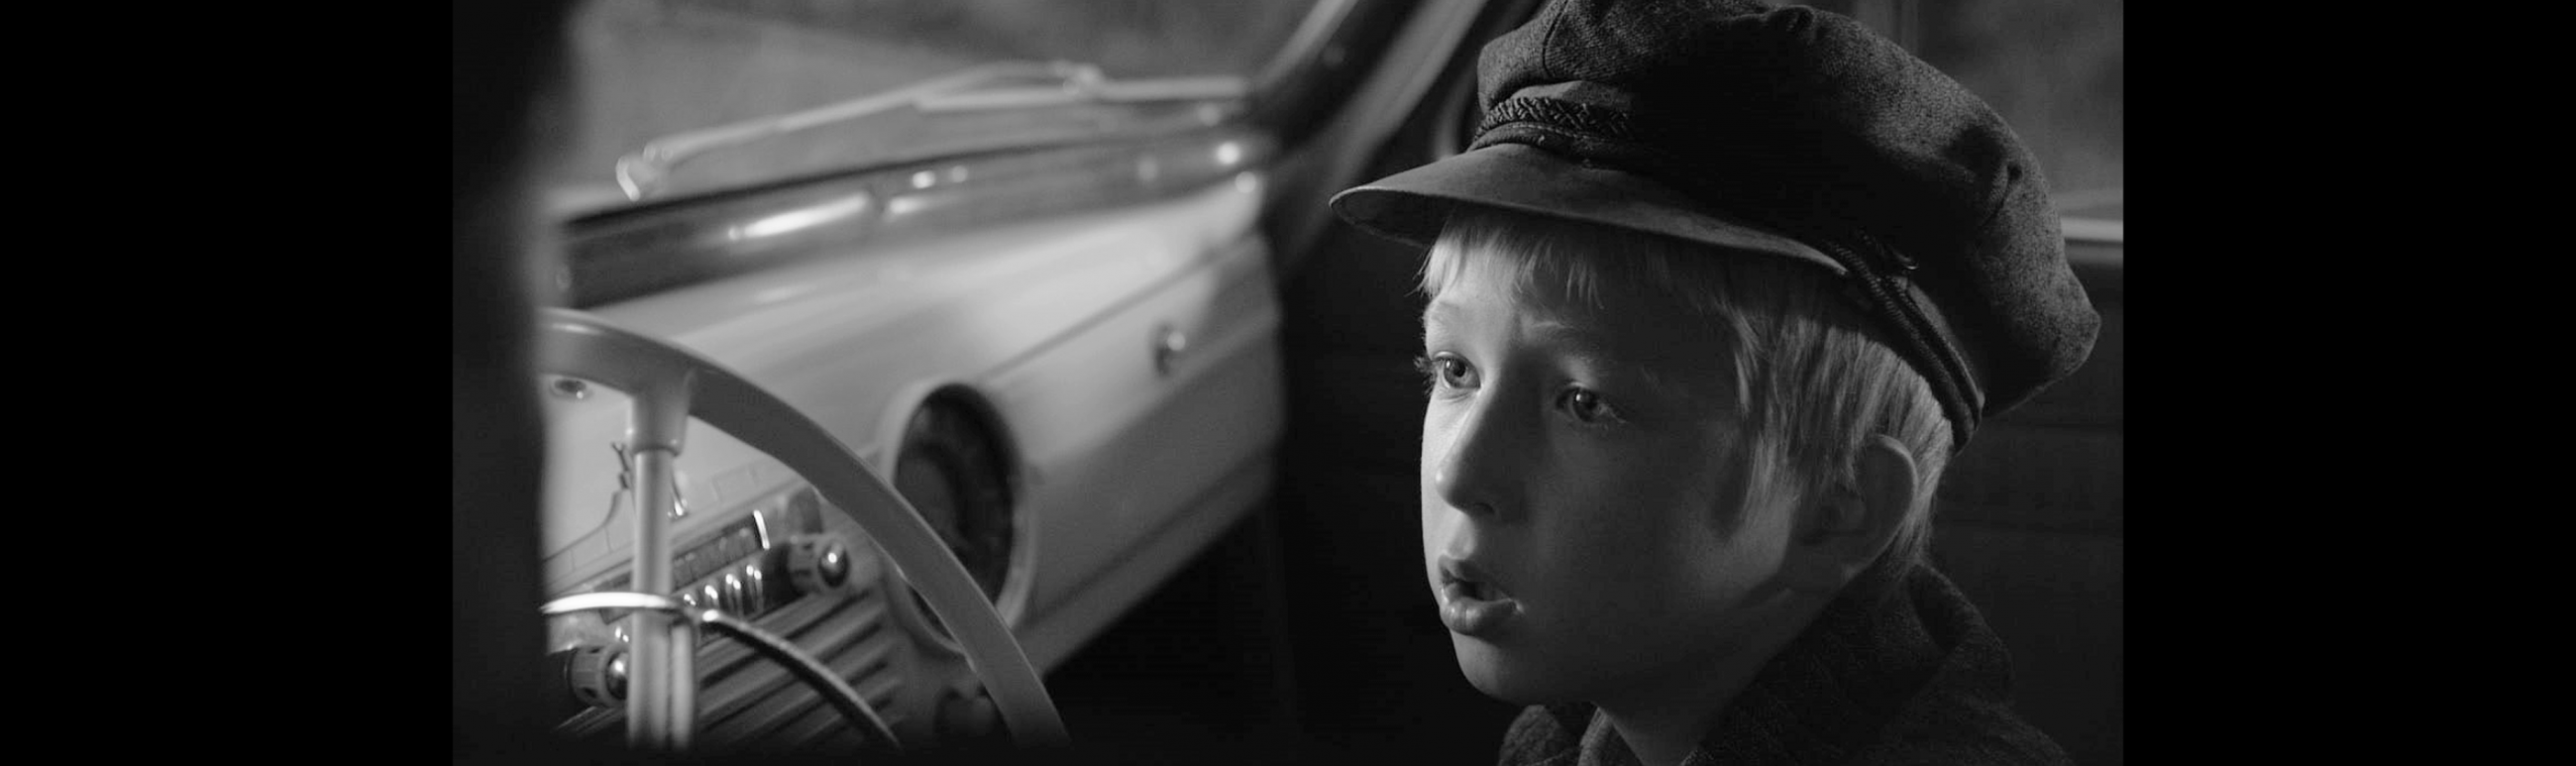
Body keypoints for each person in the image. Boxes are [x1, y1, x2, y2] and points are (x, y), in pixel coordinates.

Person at [1326, 1, 2098, 764]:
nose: (1459, 473)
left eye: (1585, 403)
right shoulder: (1562, 735)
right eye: (1455, 369)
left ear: (1839, 508)